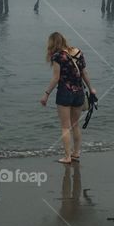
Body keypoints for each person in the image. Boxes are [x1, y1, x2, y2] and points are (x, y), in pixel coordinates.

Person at [40, 31, 96, 164]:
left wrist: (46, 94)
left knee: (65, 127)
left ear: (52, 43)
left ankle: (67, 157)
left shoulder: (58, 56)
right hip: (79, 93)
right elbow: (84, 73)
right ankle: (76, 153)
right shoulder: (78, 52)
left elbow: (56, 78)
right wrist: (91, 88)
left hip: (65, 93)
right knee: (75, 125)